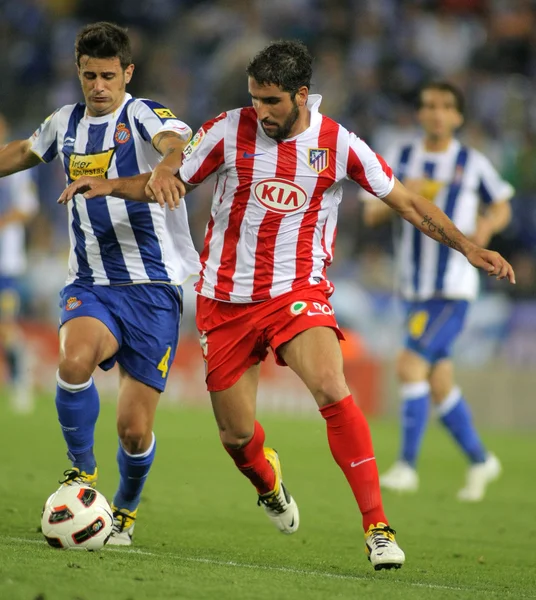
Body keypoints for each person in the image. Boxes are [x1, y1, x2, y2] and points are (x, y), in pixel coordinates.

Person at [59, 42, 515, 570]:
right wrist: (113, 185)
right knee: (237, 437)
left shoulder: (337, 143)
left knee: (330, 385)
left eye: (272, 102)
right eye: (255, 99)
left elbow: (407, 201)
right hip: (224, 301)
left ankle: (378, 528)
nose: (262, 112)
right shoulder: (226, 130)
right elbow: (169, 181)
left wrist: (469, 247)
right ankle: (269, 483)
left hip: (296, 293)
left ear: (301, 95)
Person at [0, 22, 200, 545]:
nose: (99, 86)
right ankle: (81, 471)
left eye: (109, 75)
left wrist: (169, 163)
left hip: (153, 289)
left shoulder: (140, 113)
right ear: (78, 71)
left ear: (127, 73)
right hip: (90, 281)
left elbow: (177, 137)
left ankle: (125, 509)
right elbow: (23, 151)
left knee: (134, 431)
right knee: (72, 360)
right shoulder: (64, 123)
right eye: (89, 75)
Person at [362, 81, 513, 502]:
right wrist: (401, 195)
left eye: (446, 106)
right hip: (412, 288)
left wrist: (485, 228)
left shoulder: (471, 162)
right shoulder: (401, 157)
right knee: (440, 382)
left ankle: (407, 467)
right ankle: (482, 461)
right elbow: (373, 210)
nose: (436, 113)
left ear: (458, 117)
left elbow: (502, 203)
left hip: (452, 288)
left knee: (410, 366)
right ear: (420, 113)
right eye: (429, 105)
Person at [0, 113, 39, 414]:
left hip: (5, 263)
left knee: (5, 326)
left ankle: (20, 380)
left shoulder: (16, 166)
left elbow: (27, 209)